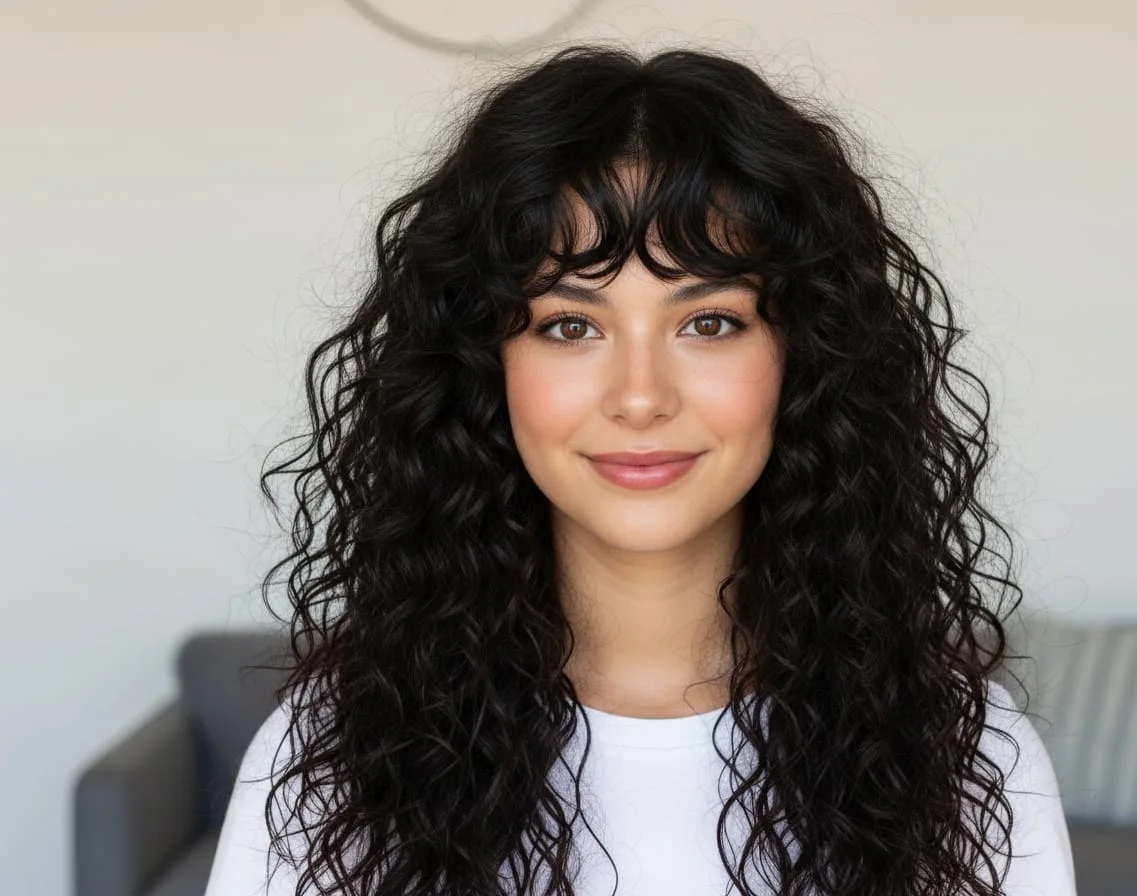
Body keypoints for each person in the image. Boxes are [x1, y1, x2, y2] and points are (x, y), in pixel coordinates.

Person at [204, 43, 1076, 896]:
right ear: (482, 366)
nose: (640, 397)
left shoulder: (968, 759)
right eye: (570, 326)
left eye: (710, 323)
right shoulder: (330, 757)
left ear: (807, 357)